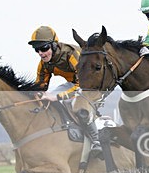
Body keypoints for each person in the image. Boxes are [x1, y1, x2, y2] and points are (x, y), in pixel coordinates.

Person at [27, 25, 101, 154]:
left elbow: (82, 85)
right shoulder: (44, 63)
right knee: (47, 98)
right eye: (36, 49)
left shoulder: (71, 54)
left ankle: (96, 141)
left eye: (44, 48)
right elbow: (40, 85)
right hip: (74, 83)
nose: (40, 53)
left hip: (91, 85)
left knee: (78, 108)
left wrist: (58, 97)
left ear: (54, 45)